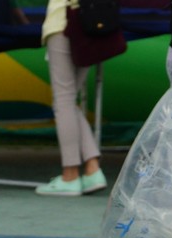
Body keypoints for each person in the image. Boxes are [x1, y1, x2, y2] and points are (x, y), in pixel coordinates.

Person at [34, 0, 107, 197]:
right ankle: (92, 168)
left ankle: (70, 175)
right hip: (90, 22)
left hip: (63, 21)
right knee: (68, 99)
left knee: (64, 100)